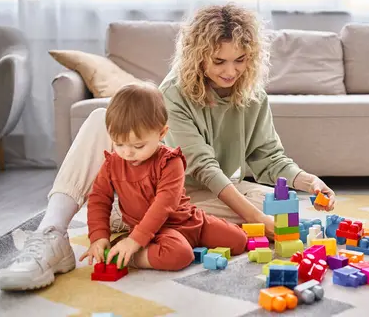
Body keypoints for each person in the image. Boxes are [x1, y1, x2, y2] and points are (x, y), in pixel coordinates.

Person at [0, 3, 337, 291]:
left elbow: (268, 156)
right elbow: (203, 166)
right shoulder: (174, 92)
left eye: (240, 60)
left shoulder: (253, 96)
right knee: (100, 119)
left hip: (194, 202)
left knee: (278, 209)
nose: (231, 71)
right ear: (199, 56)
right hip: (160, 190)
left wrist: (307, 181)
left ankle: (139, 234)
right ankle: (52, 234)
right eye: (219, 61)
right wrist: (258, 218)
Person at [79, 83, 248, 271]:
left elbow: (164, 204)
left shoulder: (170, 161)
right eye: (119, 144)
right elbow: (98, 200)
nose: (127, 153)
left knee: (239, 241)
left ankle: (133, 246)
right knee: (180, 255)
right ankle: (130, 255)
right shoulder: (112, 164)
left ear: (161, 133)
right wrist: (99, 237)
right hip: (155, 231)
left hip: (189, 221)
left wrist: (134, 240)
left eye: (138, 146)